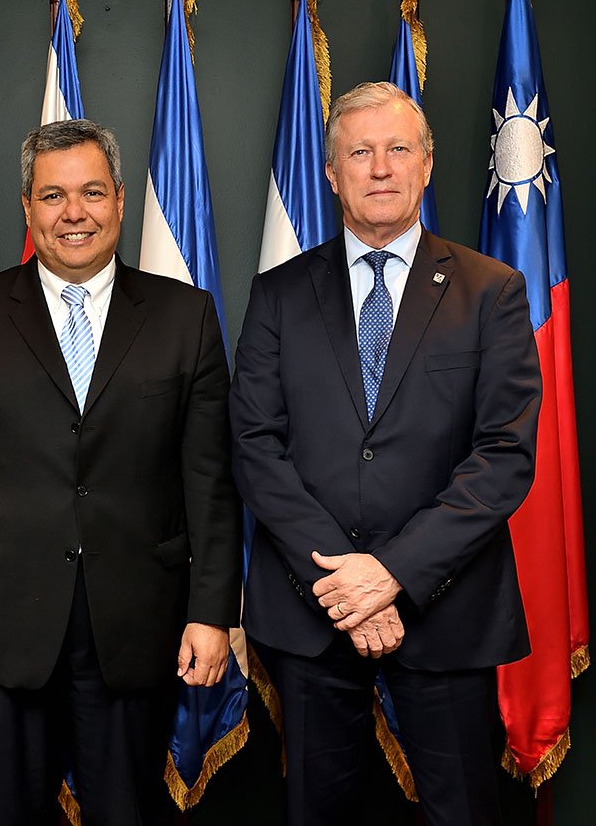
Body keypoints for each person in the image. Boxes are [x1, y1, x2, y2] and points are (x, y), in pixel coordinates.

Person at [0, 119, 242, 826]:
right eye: (53, 196)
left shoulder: (186, 316)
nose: (74, 213)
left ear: (120, 199)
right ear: (27, 207)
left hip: (136, 623)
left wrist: (212, 612)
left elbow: (210, 481)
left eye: (91, 192)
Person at [230, 82, 541, 826]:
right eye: (359, 152)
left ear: (427, 165)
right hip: (315, 609)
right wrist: (346, 585)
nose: (379, 168)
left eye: (397, 149)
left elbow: (503, 454)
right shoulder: (277, 294)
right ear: (331, 172)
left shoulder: (490, 291)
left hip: (447, 607)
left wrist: (394, 573)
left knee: (464, 809)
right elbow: (255, 446)